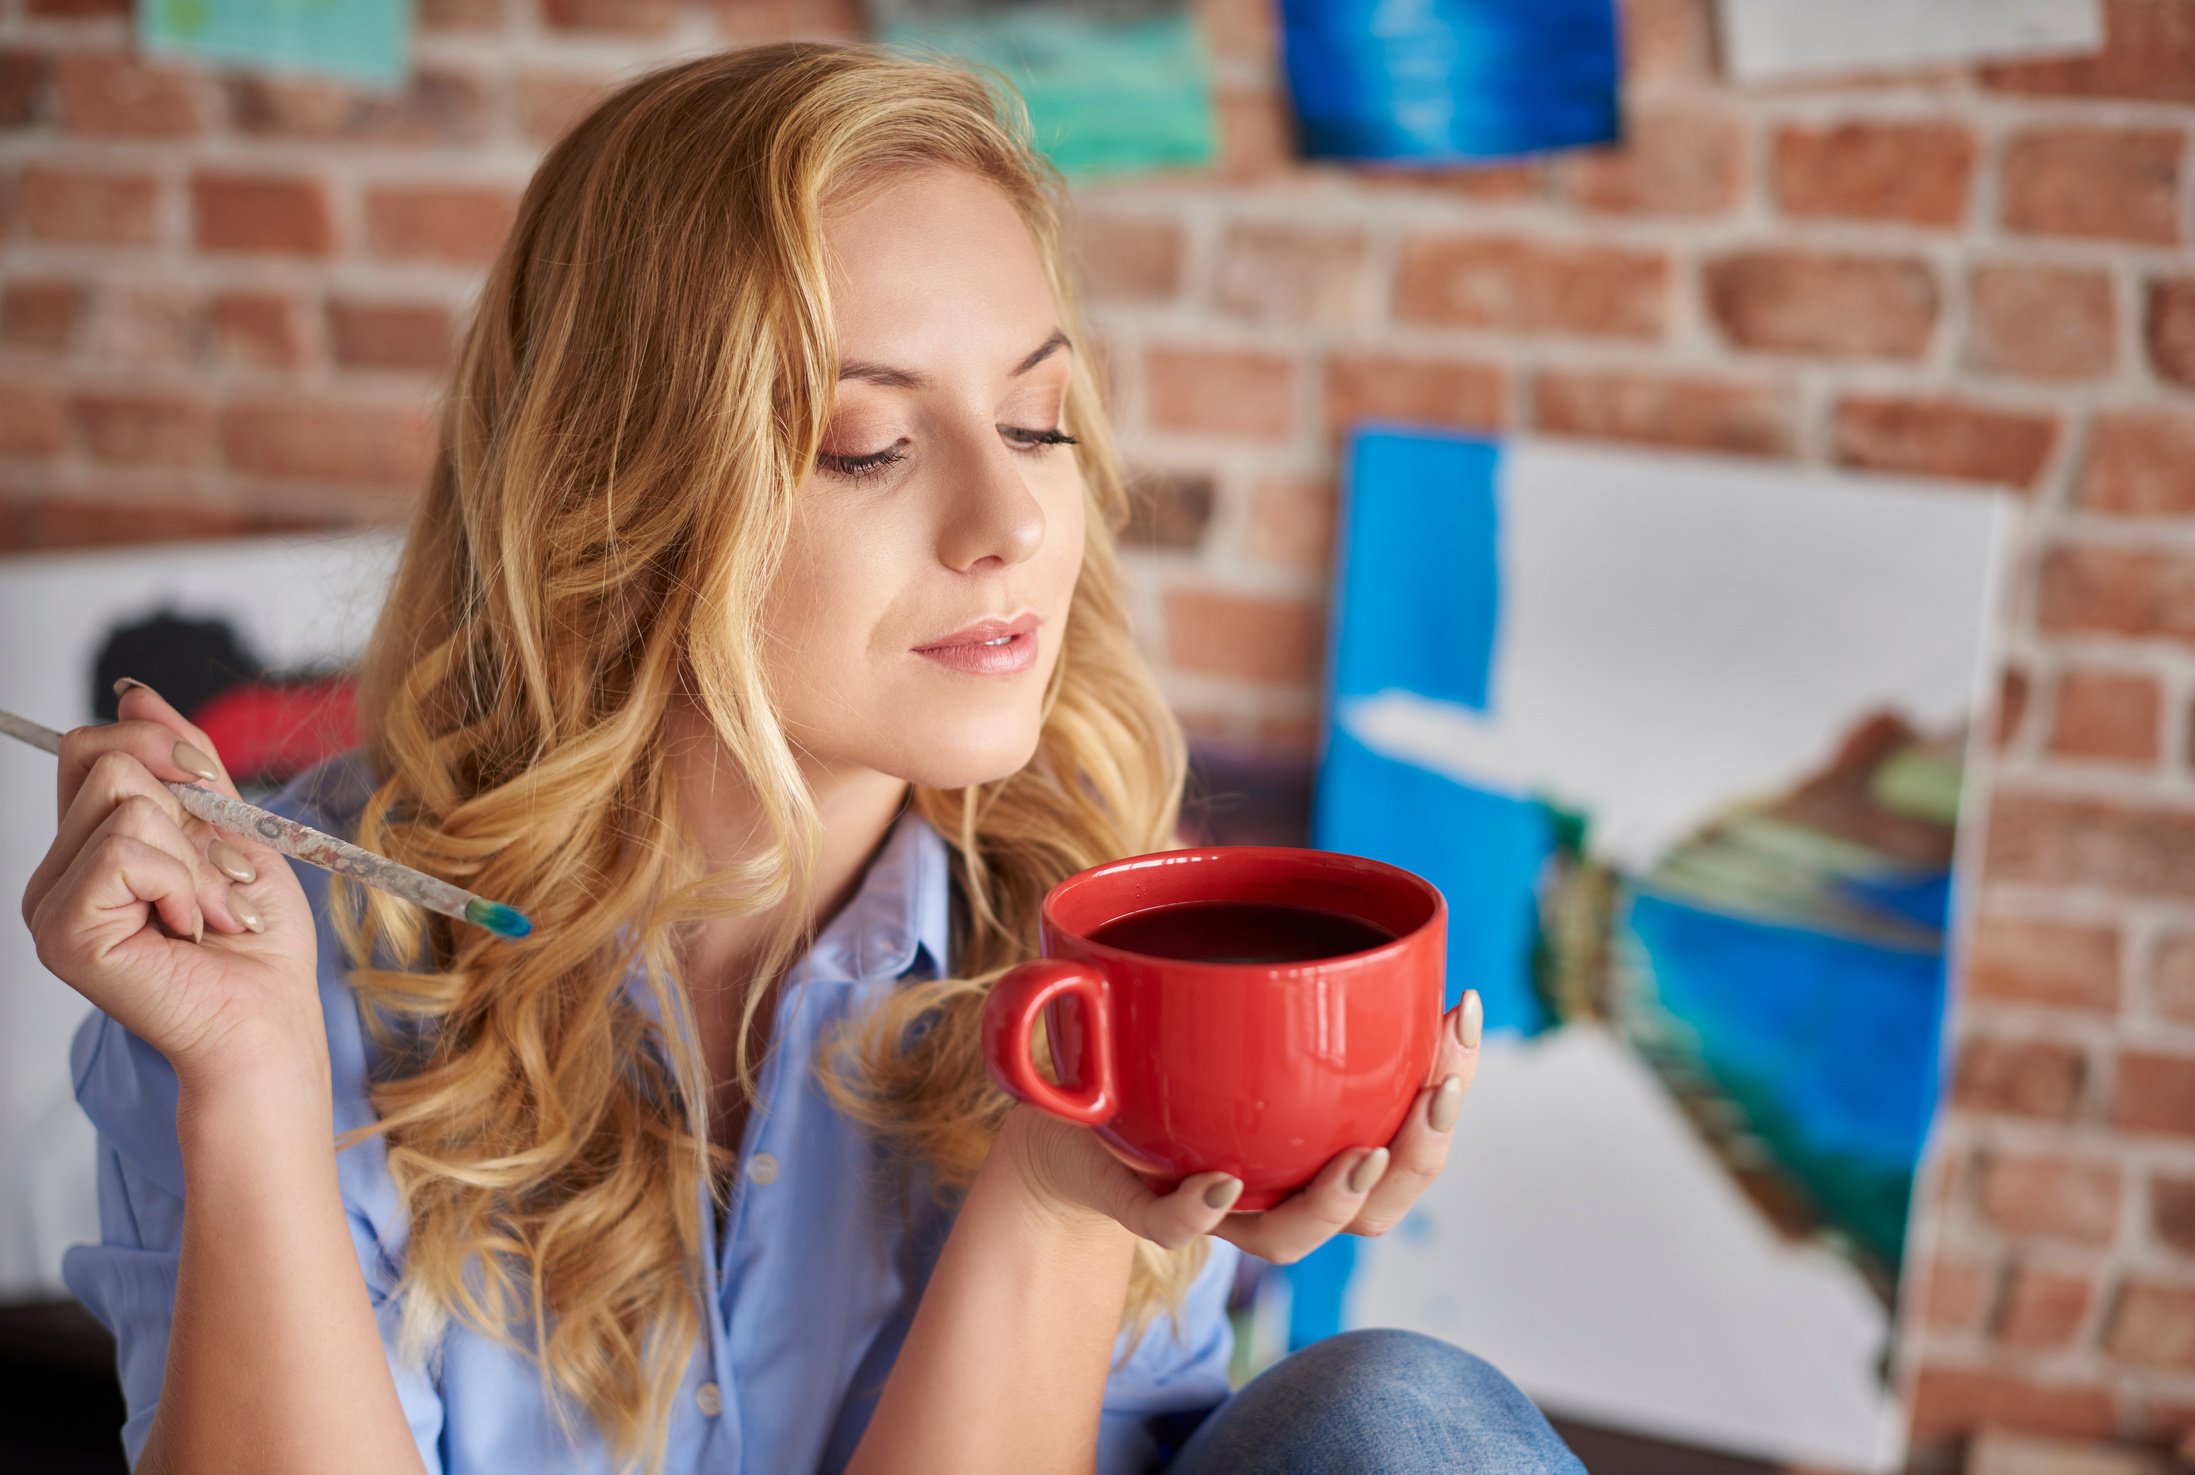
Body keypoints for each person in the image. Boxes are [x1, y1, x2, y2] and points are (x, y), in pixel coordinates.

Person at [23, 41, 1588, 1475]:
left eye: (1038, 421)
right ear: (618, 501)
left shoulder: (1089, 940)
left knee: (1398, 1418)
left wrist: (1061, 1187)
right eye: (869, 445)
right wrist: (249, 1081)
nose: (1014, 524)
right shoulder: (279, 952)